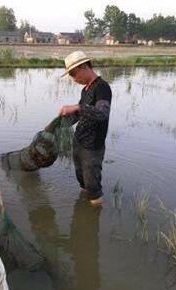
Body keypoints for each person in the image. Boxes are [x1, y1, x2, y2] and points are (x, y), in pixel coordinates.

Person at [59, 51, 112, 205]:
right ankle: (83, 207)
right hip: (79, 142)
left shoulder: (102, 87)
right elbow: (79, 114)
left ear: (83, 66)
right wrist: (61, 122)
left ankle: (92, 217)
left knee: (92, 187)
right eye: (71, 76)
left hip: (92, 147)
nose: (74, 80)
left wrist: (76, 107)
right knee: (82, 181)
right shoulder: (86, 90)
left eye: (74, 74)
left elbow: (102, 113)